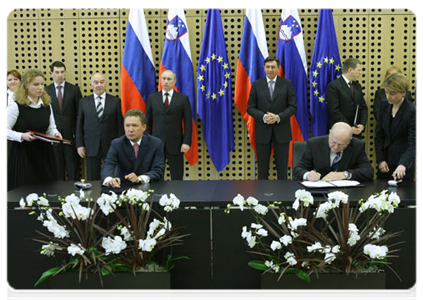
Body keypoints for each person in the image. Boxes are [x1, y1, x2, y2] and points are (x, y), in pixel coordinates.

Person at [5, 69, 62, 192]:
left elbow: (51, 128)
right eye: (36, 84)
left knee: (47, 192)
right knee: (23, 195)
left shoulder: (47, 105)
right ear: (26, 86)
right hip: (23, 155)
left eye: (42, 84)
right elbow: (4, 129)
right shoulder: (16, 105)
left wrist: (56, 134)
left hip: (44, 155)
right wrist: (21, 136)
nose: (40, 88)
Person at [247, 55, 297, 180]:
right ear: (264, 68)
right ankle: (261, 197)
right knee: (262, 170)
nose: (270, 69)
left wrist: (278, 117)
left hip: (282, 132)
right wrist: (264, 117)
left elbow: (292, 107)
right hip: (262, 131)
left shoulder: (287, 84)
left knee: (282, 170)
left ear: (278, 68)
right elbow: (250, 108)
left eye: (273, 67)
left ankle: (283, 197)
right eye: (268, 67)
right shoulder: (257, 85)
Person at [75, 73, 123, 181]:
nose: (99, 85)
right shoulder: (83, 102)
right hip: (90, 145)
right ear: (91, 84)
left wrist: (120, 145)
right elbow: (79, 125)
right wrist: (80, 145)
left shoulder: (115, 101)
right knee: (92, 177)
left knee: (111, 177)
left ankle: (111, 197)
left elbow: (120, 125)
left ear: (105, 83)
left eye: (102, 82)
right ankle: (94, 197)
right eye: (96, 82)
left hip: (111, 145)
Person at [146, 70, 192, 180]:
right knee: (156, 175)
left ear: (174, 81)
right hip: (156, 143)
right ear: (161, 80)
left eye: (169, 79)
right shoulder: (152, 98)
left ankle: (177, 196)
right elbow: (147, 122)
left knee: (177, 176)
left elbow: (188, 123)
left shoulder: (182, 99)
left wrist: (186, 142)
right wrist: (147, 141)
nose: (166, 81)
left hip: (176, 144)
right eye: (164, 79)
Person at [101, 109, 165, 187]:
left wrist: (140, 178)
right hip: (124, 186)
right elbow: (108, 164)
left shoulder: (156, 143)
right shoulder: (117, 144)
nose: (130, 130)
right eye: (127, 126)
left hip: (150, 186)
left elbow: (158, 170)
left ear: (144, 127)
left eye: (134, 125)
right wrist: (109, 179)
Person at [293, 122, 374, 182]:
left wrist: (344, 174)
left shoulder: (357, 146)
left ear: (349, 141)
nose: (336, 147)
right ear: (330, 133)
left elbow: (368, 172)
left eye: (341, 145)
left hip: (347, 193)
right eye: (333, 142)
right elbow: (298, 168)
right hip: (321, 190)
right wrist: (307, 175)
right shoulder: (314, 144)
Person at [375, 73, 419, 182]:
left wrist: (403, 164)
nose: (388, 96)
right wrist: (381, 160)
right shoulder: (384, 105)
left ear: (403, 93)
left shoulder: (412, 112)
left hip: (402, 164)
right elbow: (379, 136)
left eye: (392, 93)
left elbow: (414, 143)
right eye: (386, 92)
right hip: (385, 164)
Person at [46, 61, 82, 181]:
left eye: (62, 72)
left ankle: (74, 196)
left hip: (70, 136)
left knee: (73, 169)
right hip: (53, 136)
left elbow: (80, 114)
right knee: (57, 169)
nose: (60, 75)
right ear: (51, 73)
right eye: (56, 72)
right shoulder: (46, 91)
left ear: (65, 72)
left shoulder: (74, 90)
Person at [326, 58, 368, 137]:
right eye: (358, 70)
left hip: (356, 132)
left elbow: (363, 107)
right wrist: (349, 127)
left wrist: (361, 125)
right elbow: (335, 110)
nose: (360, 73)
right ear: (350, 70)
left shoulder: (357, 86)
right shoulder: (334, 86)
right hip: (340, 132)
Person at [5, 69, 21, 167]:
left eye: (16, 79)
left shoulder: (25, 96)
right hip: (6, 136)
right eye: (9, 80)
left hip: (21, 134)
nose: (13, 82)